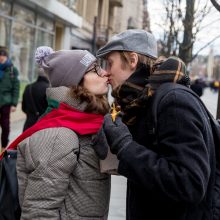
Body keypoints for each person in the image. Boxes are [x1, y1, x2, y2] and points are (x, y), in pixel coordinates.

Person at [93, 29, 216, 220]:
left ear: (132, 60)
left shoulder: (173, 101)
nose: (106, 73)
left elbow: (189, 183)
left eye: (110, 63)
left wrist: (125, 146)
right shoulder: (143, 103)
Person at [16, 46, 111, 219]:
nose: (105, 73)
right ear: (75, 82)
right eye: (95, 69)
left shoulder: (89, 123)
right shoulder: (60, 135)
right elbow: (39, 211)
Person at [0, 46, 20, 152]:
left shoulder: (12, 70)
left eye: (3, 56)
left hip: (6, 102)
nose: (1, 58)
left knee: (5, 126)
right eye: (0, 56)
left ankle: (3, 147)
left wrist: (14, 103)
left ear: (6, 57)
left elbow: (16, 88)